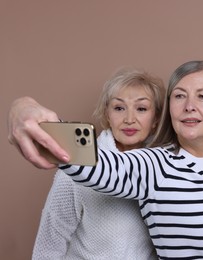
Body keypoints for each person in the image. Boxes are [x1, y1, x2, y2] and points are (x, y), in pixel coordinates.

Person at [36, 60, 203, 259]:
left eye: (202, 96)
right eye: (180, 96)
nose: (189, 106)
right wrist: (33, 118)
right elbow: (101, 167)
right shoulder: (155, 165)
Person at [32, 69, 165, 259]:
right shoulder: (78, 168)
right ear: (107, 113)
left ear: (156, 119)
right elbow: (48, 247)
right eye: (119, 108)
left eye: (141, 109)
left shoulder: (162, 168)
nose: (129, 119)